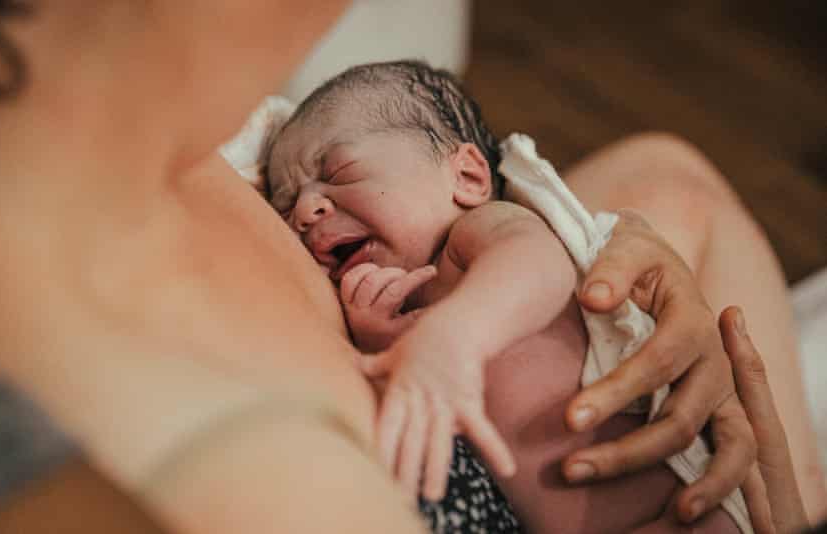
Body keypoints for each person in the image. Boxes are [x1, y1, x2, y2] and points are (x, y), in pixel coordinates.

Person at [0, 1, 821, 532]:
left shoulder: (241, 142)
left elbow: (482, 216)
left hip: (643, 423)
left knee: (671, 174)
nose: (311, 209)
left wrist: (605, 258)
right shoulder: (215, 462)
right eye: (302, 200)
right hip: (613, 498)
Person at [264, 59, 742, 533]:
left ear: (467, 178)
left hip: (685, 502)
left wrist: (453, 335)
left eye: (339, 172)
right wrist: (380, 336)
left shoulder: (481, 233)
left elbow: (540, 267)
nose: (307, 209)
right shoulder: (418, 304)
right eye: (286, 205)